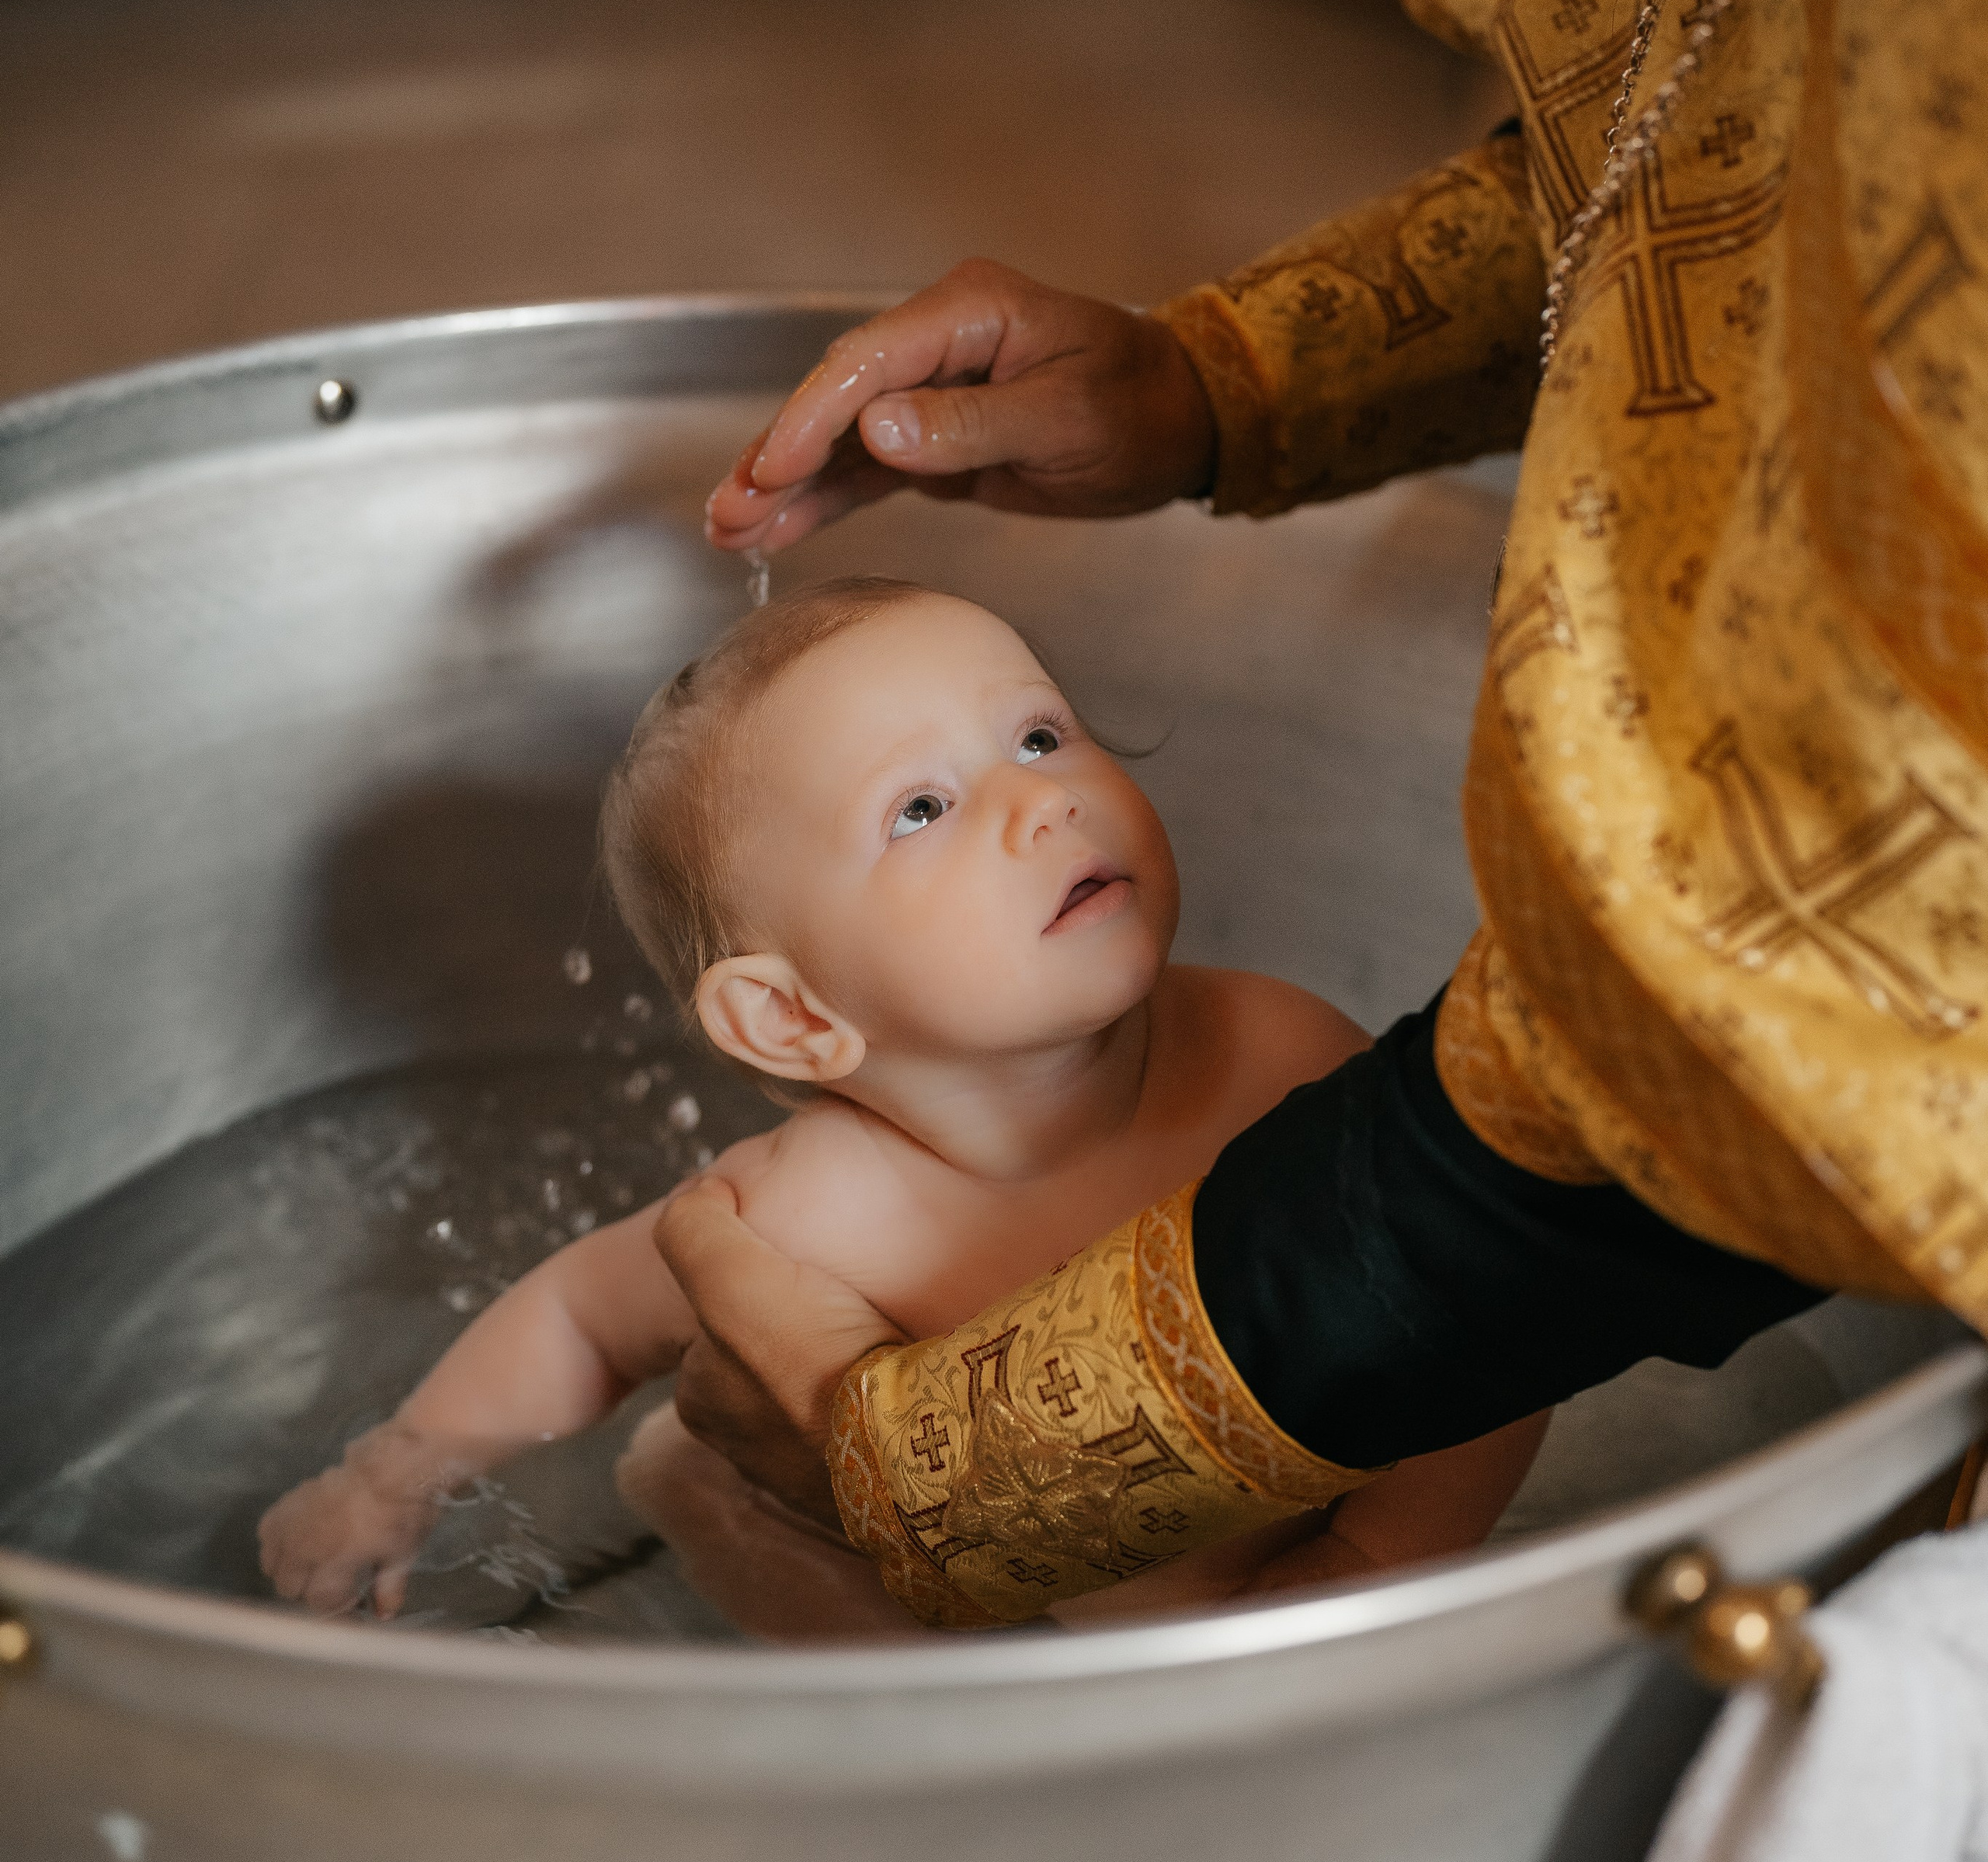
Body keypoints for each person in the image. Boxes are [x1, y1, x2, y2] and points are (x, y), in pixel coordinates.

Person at [645, 0, 1988, 1620]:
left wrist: (980, 1466)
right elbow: (1716, 119)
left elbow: (1778, 1032)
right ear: (777, 1015)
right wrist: (1224, 375)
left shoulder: (1260, 1051)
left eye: (1040, 735)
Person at [256, 582, 1541, 1629]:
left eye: (1040, 735)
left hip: (1269, 1599)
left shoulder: (1285, 1058)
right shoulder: (806, 1222)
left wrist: (1376, 1557)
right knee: (697, 1483)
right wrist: (394, 1475)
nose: (1044, 798)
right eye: (920, 809)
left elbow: (1495, 1319)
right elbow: (582, 1316)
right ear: (792, 1017)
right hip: (954, 1600)